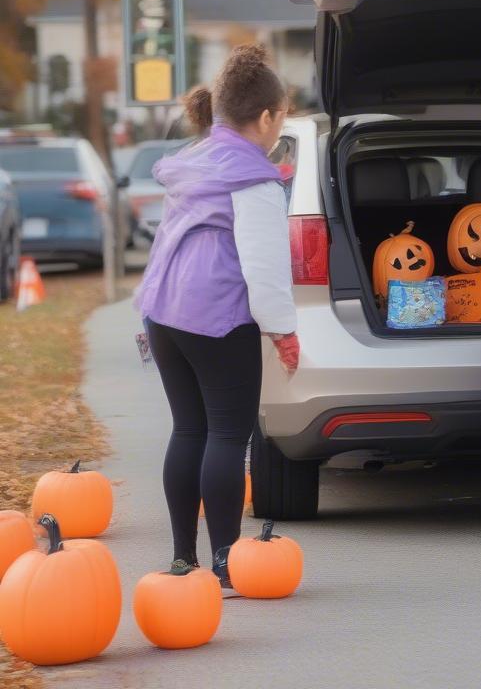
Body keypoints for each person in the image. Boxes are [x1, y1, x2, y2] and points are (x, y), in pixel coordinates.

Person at [135, 45, 300, 594]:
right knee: (228, 435)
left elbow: (166, 241)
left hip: (164, 312)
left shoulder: (195, 160)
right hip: (216, 315)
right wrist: (283, 330)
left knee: (188, 429)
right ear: (267, 117)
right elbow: (264, 264)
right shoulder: (254, 177)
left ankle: (184, 558)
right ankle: (228, 563)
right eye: (282, 116)